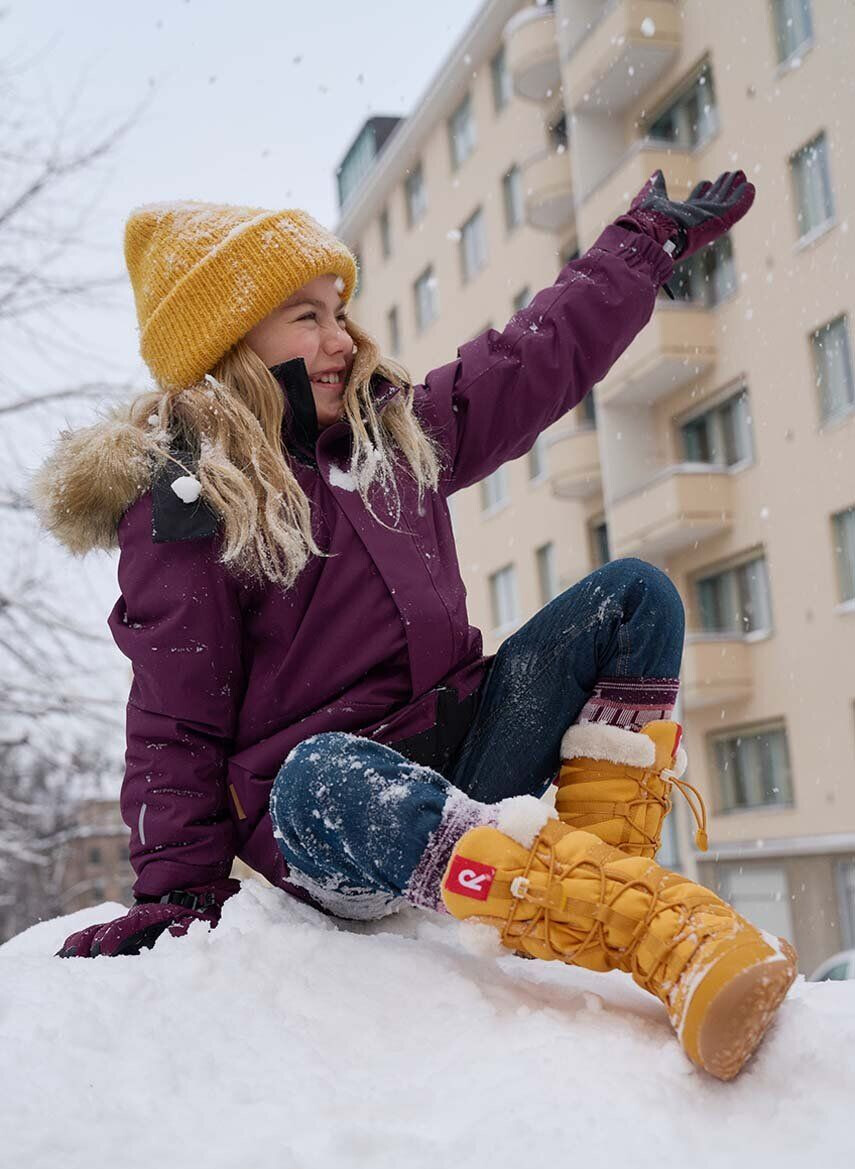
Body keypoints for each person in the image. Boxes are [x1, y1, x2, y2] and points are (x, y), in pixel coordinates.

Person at [34, 171, 797, 1080]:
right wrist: (176, 893)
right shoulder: (194, 504)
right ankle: (655, 930)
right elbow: (175, 717)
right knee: (325, 769)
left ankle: (595, 887)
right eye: (305, 316)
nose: (340, 337)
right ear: (227, 342)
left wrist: (639, 246)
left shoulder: (395, 440)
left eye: (340, 309)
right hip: (329, 818)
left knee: (632, 596)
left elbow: (530, 360)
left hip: (459, 754)